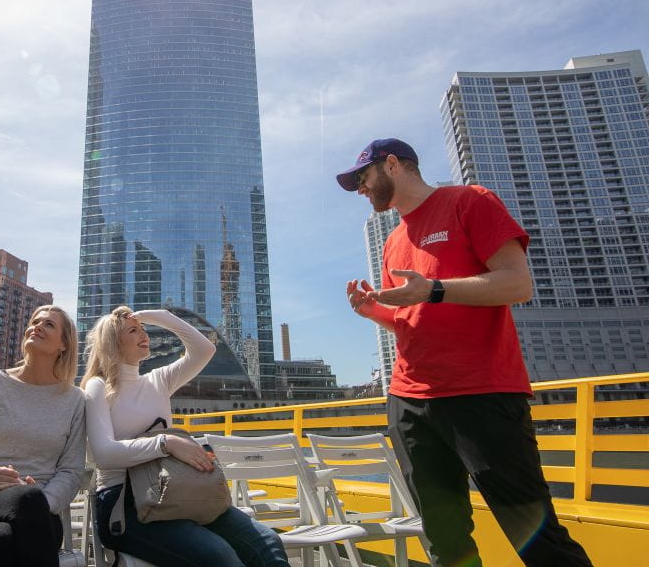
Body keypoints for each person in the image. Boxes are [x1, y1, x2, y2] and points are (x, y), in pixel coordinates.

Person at [336, 138, 592, 567]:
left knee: (534, 531)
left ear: (393, 165)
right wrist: (374, 312)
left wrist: (435, 289)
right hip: (409, 400)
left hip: (480, 392)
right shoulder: (393, 239)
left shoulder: (470, 201)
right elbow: (411, 321)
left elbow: (517, 284)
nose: (361, 189)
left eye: (363, 178)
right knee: (443, 536)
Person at [83, 306, 289, 567]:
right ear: (112, 341)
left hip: (179, 494)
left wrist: (160, 317)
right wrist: (166, 443)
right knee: (218, 555)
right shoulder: (98, 386)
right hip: (125, 508)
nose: (144, 333)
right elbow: (103, 453)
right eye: (133, 330)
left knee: (267, 542)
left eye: (144, 329)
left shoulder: (158, 379)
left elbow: (205, 350)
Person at [0, 305, 86, 567]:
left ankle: (30, 500)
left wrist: (41, 500)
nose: (37, 326)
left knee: (1, 540)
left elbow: (71, 471)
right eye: (34, 321)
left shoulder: (75, 400)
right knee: (25, 499)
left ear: (64, 345)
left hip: (41, 515)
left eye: (49, 324)